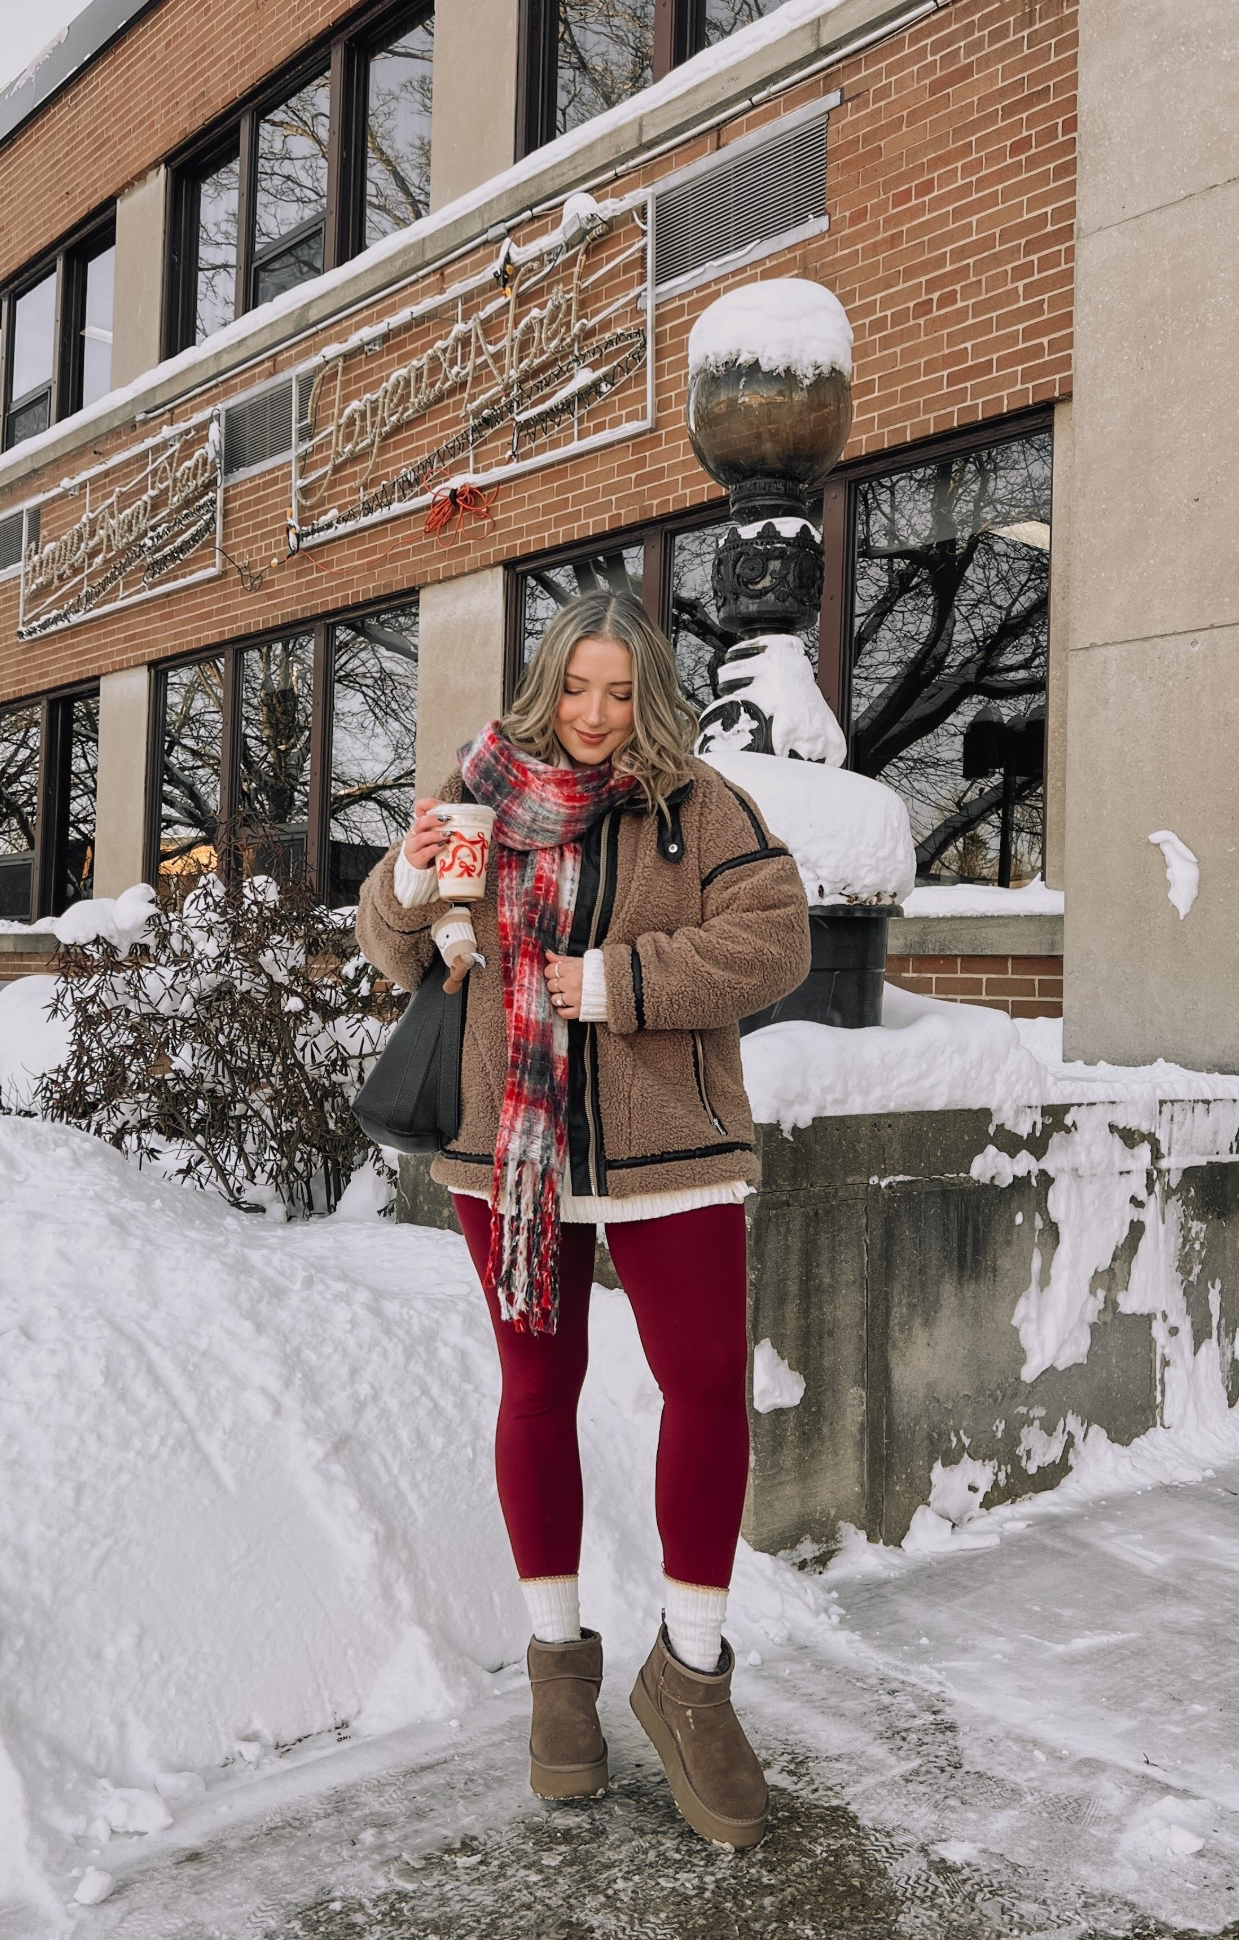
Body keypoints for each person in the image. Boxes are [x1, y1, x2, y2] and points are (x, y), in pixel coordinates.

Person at [356, 590, 810, 1848]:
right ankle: (559, 1676)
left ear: (647, 694)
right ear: (543, 684)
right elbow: (394, 947)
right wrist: (407, 885)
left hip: (671, 1137)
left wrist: (619, 982)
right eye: (576, 688)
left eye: (620, 691)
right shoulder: (479, 790)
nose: (598, 716)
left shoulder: (700, 803)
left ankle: (691, 1670)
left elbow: (775, 941)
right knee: (536, 1384)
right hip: (507, 1146)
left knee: (709, 1381)